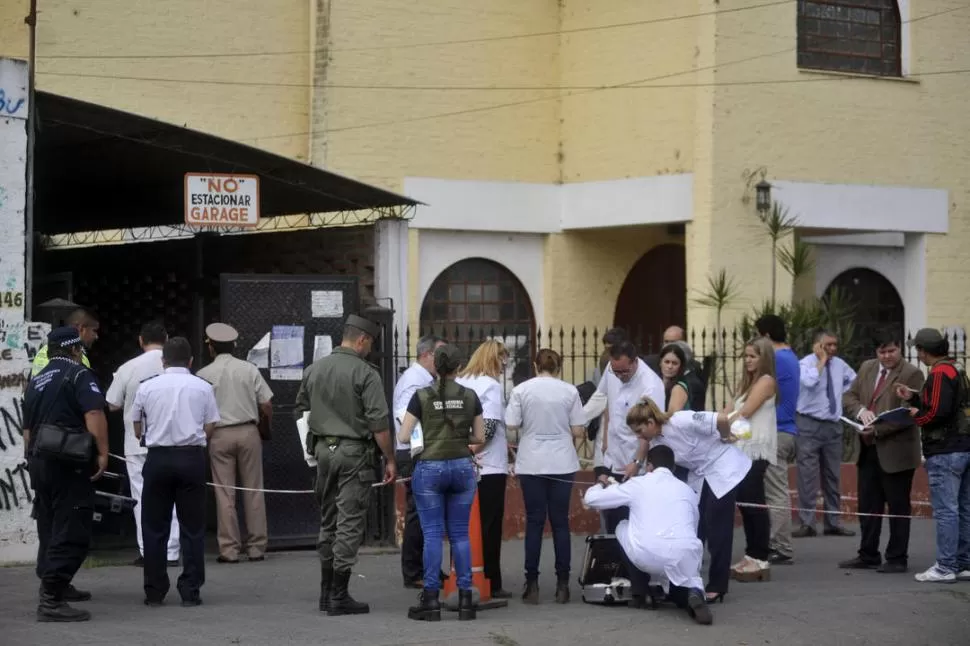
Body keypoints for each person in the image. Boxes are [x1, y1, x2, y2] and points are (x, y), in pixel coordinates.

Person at [295, 313, 396, 615]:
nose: (370, 349)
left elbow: (301, 409)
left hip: (324, 452)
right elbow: (379, 424)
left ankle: (326, 593)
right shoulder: (366, 373)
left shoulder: (315, 369)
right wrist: (390, 459)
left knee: (328, 521)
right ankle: (339, 595)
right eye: (370, 344)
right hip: (354, 454)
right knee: (349, 523)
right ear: (362, 340)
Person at [626, 397, 751, 603]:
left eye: (639, 431)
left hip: (722, 466)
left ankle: (718, 585)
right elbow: (648, 458)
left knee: (717, 527)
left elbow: (720, 418)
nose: (638, 436)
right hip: (700, 475)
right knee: (693, 528)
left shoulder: (680, 420)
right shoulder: (656, 442)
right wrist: (636, 465)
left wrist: (727, 436)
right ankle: (685, 582)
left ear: (650, 423)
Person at [22, 326, 109, 622]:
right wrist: (102, 453)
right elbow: (95, 414)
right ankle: (51, 599)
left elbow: (27, 430)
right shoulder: (78, 374)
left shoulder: (37, 380)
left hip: (38, 460)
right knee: (72, 527)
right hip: (67, 462)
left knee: (49, 524)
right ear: (75, 349)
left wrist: (32, 458)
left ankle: (57, 585)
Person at [397, 344, 486, 622]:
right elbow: (479, 437)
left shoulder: (421, 396)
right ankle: (466, 601)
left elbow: (403, 436)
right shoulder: (470, 396)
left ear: (435, 365)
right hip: (462, 467)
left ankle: (431, 600)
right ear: (458, 367)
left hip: (430, 468)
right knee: (460, 535)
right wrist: (459, 440)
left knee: (432, 534)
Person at [129, 337, 219, 607]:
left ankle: (154, 590)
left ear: (163, 360)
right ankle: (191, 590)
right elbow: (212, 424)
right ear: (191, 361)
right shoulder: (203, 387)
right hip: (191, 459)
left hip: (158, 459)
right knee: (192, 527)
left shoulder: (147, 388)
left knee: (155, 526)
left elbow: (136, 427)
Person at [583, 445, 713, 626]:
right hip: (685, 555)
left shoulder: (638, 484)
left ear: (649, 466)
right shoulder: (687, 490)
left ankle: (640, 590)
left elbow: (591, 499)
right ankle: (694, 594)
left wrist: (601, 482)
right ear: (673, 468)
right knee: (685, 580)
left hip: (648, 555)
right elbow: (694, 526)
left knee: (622, 525)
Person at [840, 328, 924, 574]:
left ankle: (897, 558)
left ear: (900, 348)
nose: (887, 356)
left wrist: (875, 430)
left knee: (898, 507)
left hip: (896, 453)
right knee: (868, 505)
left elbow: (907, 415)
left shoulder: (912, 373)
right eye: (882, 351)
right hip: (867, 451)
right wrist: (860, 412)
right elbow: (849, 397)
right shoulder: (867, 367)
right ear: (875, 352)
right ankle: (868, 554)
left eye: (892, 351)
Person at [505, 349, 586, 605]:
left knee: (535, 521)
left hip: (532, 461)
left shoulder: (522, 390)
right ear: (559, 366)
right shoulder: (570, 391)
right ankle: (563, 584)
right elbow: (577, 430)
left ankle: (532, 583)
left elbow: (511, 424)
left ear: (534, 364)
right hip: (562, 459)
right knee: (561, 522)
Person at [896, 328, 970, 583]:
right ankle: (963, 563)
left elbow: (938, 411)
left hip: (945, 450)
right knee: (963, 508)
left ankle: (946, 566)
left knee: (947, 511)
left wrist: (917, 416)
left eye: (918, 349)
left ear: (924, 351)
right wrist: (915, 395)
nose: (918, 353)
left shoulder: (939, 372)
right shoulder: (956, 369)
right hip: (963, 447)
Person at [197, 322, 274, 564]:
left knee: (224, 493)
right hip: (248, 432)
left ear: (211, 348)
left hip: (219, 435)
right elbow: (266, 403)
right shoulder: (249, 369)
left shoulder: (203, 375)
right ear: (234, 345)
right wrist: (265, 426)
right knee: (253, 490)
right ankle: (256, 548)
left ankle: (229, 550)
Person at [105, 321, 179, 568]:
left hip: (137, 443)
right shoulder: (176, 366)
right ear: (166, 339)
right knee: (172, 495)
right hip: (171, 441)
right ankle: (171, 551)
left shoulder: (128, 367)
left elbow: (112, 404)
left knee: (142, 496)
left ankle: (148, 551)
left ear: (140, 340)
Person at [588, 340, 665, 533]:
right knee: (611, 516)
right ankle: (613, 561)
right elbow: (602, 397)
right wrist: (581, 419)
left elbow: (649, 429)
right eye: (616, 372)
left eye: (624, 372)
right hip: (613, 456)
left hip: (636, 461)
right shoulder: (612, 369)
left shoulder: (651, 385)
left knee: (632, 520)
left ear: (635, 361)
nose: (619, 376)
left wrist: (637, 461)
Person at [456, 339, 511, 599]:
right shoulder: (490, 386)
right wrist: (471, 451)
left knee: (463, 525)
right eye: (503, 359)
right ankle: (491, 579)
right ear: (493, 358)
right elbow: (487, 428)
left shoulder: (462, 381)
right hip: (488, 465)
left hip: (460, 462)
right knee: (490, 525)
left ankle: (465, 573)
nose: (505, 365)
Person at [392, 334, 446, 588]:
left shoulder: (424, 380)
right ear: (427, 355)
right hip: (414, 451)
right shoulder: (414, 382)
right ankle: (414, 571)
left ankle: (428, 567)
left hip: (421, 450)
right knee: (418, 511)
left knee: (427, 511)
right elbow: (406, 417)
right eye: (440, 354)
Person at [793, 329, 857, 538]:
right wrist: (820, 360)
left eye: (834, 345)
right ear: (817, 345)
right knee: (807, 476)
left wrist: (841, 392)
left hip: (832, 425)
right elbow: (810, 381)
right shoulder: (805, 364)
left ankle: (832, 522)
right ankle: (807, 523)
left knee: (832, 475)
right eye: (827, 345)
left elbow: (853, 381)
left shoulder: (840, 365)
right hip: (809, 424)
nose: (832, 349)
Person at [728, 337, 777, 582]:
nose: (747, 360)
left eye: (752, 356)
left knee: (753, 502)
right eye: (746, 356)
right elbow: (730, 410)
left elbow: (746, 412)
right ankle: (751, 554)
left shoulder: (766, 381)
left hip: (756, 450)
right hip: (741, 449)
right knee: (747, 502)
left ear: (763, 358)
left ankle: (760, 557)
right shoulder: (747, 383)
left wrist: (722, 421)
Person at [755, 314, 801, 565]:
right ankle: (777, 542)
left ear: (767, 336)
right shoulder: (790, 357)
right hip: (785, 430)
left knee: (776, 492)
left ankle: (781, 546)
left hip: (777, 430)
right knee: (775, 490)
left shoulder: (777, 359)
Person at [644, 326, 707, 411]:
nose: (669, 366)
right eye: (666, 342)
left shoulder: (692, 373)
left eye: (673, 342)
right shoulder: (650, 363)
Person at [31, 307, 99, 376]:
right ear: (81, 329)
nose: (96, 336)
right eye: (94, 331)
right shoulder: (78, 358)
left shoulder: (42, 351)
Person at [657, 343, 692, 413]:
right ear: (660, 362)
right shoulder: (656, 383)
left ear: (680, 366)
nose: (670, 366)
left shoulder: (678, 388)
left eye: (674, 363)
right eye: (667, 362)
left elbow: (671, 418)